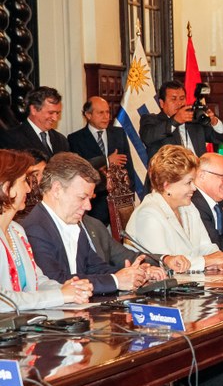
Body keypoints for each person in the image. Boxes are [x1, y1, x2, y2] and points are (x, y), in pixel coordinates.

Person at [22, 153, 151, 294]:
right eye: (82, 197)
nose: (88, 206)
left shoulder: (74, 223)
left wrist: (132, 275)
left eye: (89, 198)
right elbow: (55, 281)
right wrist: (116, 280)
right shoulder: (34, 228)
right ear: (57, 190)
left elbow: (96, 267)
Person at [0, 150, 92, 312]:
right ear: (7, 188)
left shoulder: (17, 231)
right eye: (24, 182)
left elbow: (37, 281)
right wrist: (62, 295)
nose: (29, 189)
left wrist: (68, 289)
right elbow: (4, 301)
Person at [124, 145, 223, 272]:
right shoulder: (148, 215)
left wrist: (220, 259)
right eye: (188, 182)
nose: (194, 188)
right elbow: (167, 266)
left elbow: (205, 246)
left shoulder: (188, 207)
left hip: (189, 284)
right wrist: (207, 261)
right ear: (167, 185)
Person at [68, 96, 135, 225]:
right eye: (100, 113)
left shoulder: (119, 133)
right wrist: (107, 161)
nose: (106, 117)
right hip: (94, 205)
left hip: (120, 204)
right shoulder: (75, 139)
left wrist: (128, 196)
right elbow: (81, 170)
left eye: (107, 112)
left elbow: (129, 168)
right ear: (88, 115)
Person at [139, 80, 223, 161]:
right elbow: (148, 137)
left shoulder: (194, 121)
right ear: (162, 103)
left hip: (197, 176)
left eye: (182, 99)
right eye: (173, 99)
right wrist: (175, 121)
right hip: (167, 177)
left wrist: (214, 122)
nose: (179, 103)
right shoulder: (151, 120)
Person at [0, 86, 69, 157]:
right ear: (34, 109)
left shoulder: (61, 140)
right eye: (51, 113)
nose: (55, 118)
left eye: (57, 113)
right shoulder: (11, 139)